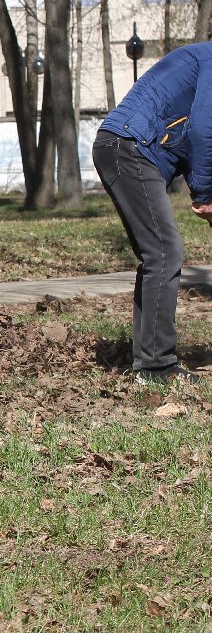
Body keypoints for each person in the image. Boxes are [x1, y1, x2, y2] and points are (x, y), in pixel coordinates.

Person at [93, 41, 212, 385]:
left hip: (125, 146)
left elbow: (192, 136)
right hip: (129, 148)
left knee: (157, 254)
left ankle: (150, 361)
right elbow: (205, 131)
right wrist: (204, 193)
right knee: (164, 251)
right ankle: (157, 367)